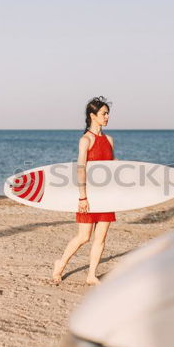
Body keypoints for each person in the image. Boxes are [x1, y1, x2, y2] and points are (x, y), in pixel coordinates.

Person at [52, 96, 115, 286]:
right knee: (84, 237)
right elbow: (81, 169)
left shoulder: (110, 140)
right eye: (104, 113)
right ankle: (60, 264)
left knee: (101, 237)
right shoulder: (85, 140)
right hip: (88, 195)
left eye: (107, 113)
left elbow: (113, 170)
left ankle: (91, 274)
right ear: (92, 115)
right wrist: (83, 197)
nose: (107, 116)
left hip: (106, 195)